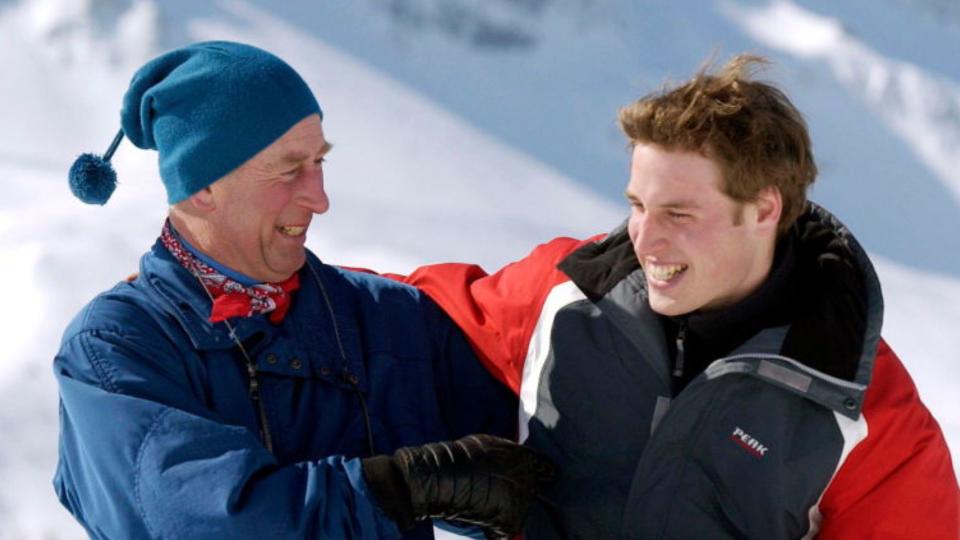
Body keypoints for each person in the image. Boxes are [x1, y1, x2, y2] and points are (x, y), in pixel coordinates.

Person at [392, 55, 960, 538]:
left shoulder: (863, 411)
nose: (644, 238)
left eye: (678, 214)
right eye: (638, 205)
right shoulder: (563, 298)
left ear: (764, 210)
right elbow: (385, 324)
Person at [54, 41, 553, 540]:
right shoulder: (114, 350)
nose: (319, 198)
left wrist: (613, 269)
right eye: (290, 169)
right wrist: (400, 488)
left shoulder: (373, 314)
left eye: (319, 163)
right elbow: (209, 521)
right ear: (203, 187)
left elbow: (510, 332)